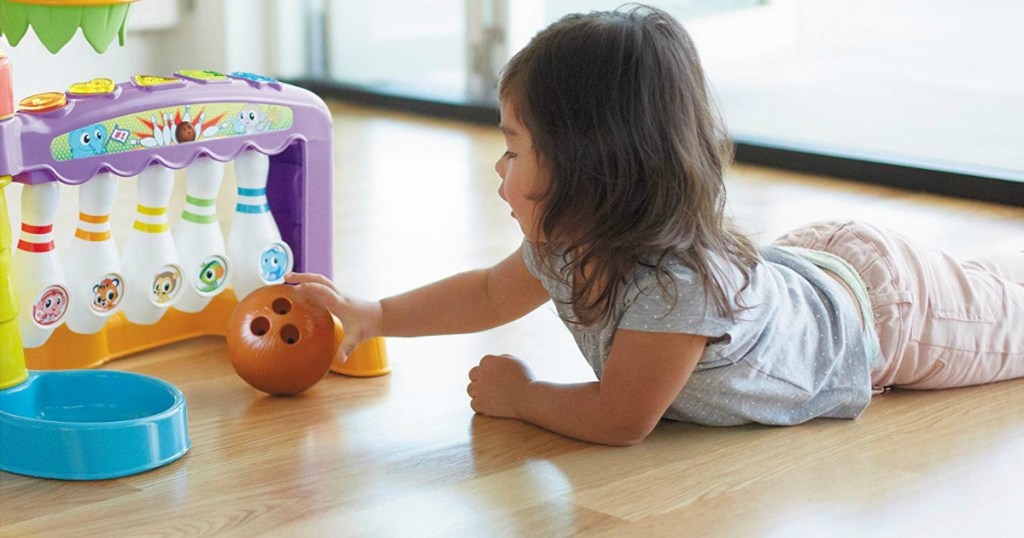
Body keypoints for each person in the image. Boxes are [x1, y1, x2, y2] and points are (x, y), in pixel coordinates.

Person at [286, 5, 1024, 446]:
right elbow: (485, 293)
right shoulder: (568, 239)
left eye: (513, 149)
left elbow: (620, 419)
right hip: (809, 265)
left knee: (1009, 315)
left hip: (888, 314)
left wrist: (523, 396)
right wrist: (373, 315)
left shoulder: (674, 290)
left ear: (591, 167)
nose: (498, 171)